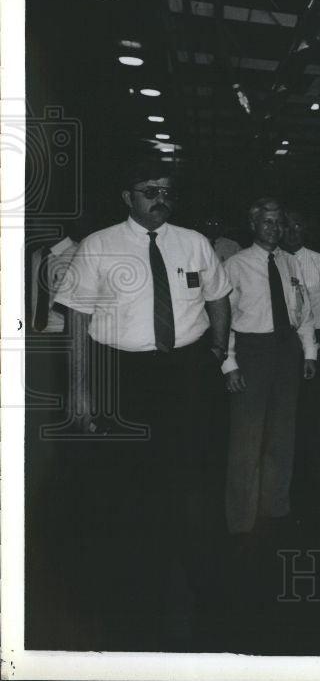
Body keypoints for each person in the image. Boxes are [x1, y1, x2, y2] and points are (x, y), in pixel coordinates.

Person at [54, 162, 232, 648]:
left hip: (188, 371)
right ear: (126, 197)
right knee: (129, 480)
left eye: (167, 192)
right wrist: (81, 390)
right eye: (149, 191)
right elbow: (75, 324)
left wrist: (216, 352)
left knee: (193, 475)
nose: (160, 198)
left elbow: (218, 298)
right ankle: (135, 586)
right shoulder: (99, 246)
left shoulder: (194, 242)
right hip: (125, 375)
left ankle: (197, 582)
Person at [222, 198, 317, 540]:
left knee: (282, 436)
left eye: (279, 223)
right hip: (252, 352)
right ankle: (241, 519)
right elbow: (223, 320)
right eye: (267, 222)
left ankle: (275, 507)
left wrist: (309, 353)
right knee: (246, 440)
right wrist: (229, 363)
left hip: (287, 352)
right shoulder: (235, 265)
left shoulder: (292, 264)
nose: (274, 229)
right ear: (253, 225)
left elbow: (304, 312)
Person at [280, 207, 320, 514]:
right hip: (288, 342)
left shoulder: (319, 261)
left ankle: (316, 478)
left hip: (318, 341)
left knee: (316, 413)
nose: (292, 233)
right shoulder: (276, 261)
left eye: (297, 227)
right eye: (287, 227)